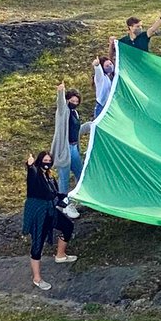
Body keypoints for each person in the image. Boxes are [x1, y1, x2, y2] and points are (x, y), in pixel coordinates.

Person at [22, 151, 76, 290]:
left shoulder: (50, 176)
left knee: (68, 226)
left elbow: (54, 193)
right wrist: (30, 164)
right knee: (37, 244)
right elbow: (31, 172)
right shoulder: (36, 174)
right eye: (44, 160)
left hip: (50, 210)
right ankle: (37, 278)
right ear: (40, 161)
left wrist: (65, 197)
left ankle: (60, 255)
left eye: (49, 160)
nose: (47, 163)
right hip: (39, 213)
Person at [51, 81, 95, 219]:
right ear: (67, 99)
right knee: (63, 179)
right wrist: (60, 92)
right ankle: (63, 205)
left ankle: (79, 198)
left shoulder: (75, 113)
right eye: (72, 100)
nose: (74, 103)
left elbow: (76, 131)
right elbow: (60, 104)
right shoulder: (63, 111)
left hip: (74, 148)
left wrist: (90, 126)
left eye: (77, 101)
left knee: (80, 173)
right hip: (64, 150)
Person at [92, 41, 117, 117]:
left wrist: (111, 45)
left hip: (111, 105)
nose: (110, 66)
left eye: (110, 64)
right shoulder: (101, 78)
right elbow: (98, 71)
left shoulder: (113, 76)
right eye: (107, 66)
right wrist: (97, 65)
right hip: (101, 106)